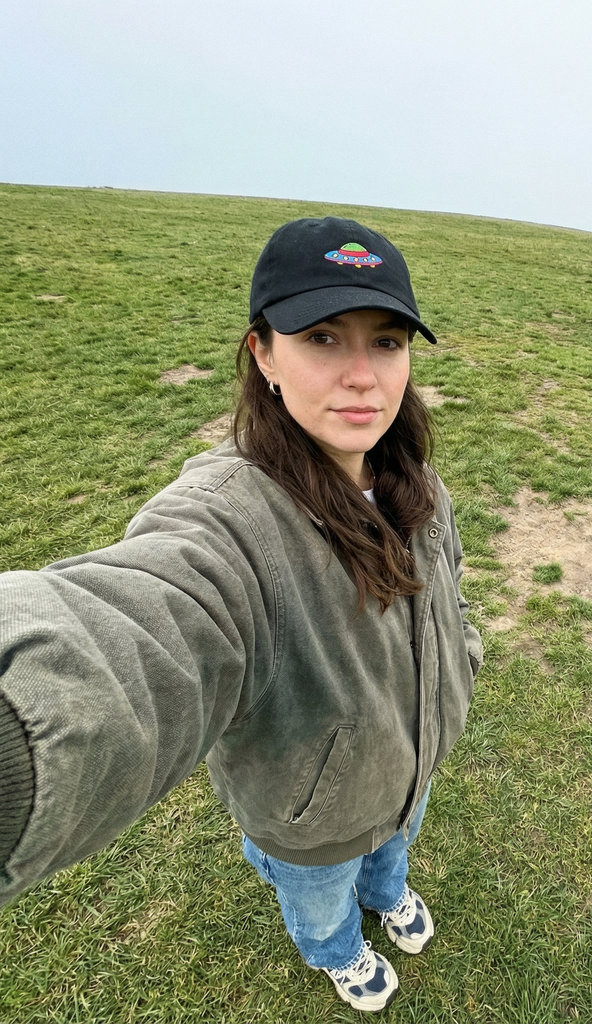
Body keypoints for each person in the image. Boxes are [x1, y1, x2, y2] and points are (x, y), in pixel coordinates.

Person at [0, 217, 482, 1013]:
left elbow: (451, 588)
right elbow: (142, 627)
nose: (363, 376)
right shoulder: (229, 522)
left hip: (412, 764)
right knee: (323, 898)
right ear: (262, 354)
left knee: (394, 852)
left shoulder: (417, 481)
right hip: (311, 820)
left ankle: (389, 894)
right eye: (324, 338)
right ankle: (336, 949)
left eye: (387, 341)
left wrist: (460, 655)